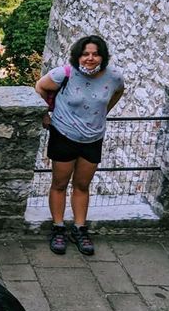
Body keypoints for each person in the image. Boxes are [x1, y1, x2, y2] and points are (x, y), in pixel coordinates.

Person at [34, 35, 124, 255]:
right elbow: (40, 87)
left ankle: (80, 228)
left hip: (93, 138)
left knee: (83, 185)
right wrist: (45, 114)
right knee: (60, 183)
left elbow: (118, 92)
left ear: (103, 56)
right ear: (78, 56)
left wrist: (103, 113)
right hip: (64, 134)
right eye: (85, 54)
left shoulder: (113, 77)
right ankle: (58, 228)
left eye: (95, 54)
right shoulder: (64, 73)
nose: (90, 58)